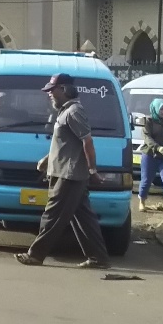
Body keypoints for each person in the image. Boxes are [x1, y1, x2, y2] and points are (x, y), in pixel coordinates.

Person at [16, 73, 111, 270]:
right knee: (83, 218)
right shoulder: (65, 112)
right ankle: (98, 258)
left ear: (65, 90)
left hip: (70, 175)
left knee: (52, 215)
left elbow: (88, 141)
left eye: (53, 90)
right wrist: (47, 160)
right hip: (65, 172)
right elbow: (65, 144)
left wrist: (93, 169)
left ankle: (35, 255)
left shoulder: (74, 112)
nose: (49, 94)